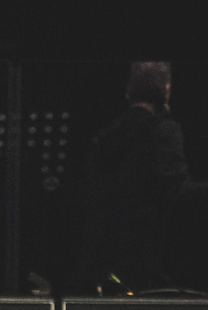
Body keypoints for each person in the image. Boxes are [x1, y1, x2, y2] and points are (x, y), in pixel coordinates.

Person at [74, 61, 207, 293]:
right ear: (166, 90)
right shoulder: (164, 132)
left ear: (128, 92)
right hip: (149, 263)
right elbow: (176, 193)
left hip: (103, 263)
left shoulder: (105, 138)